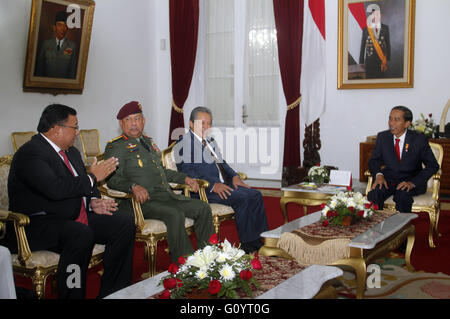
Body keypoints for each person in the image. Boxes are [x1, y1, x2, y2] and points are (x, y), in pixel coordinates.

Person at [6, 104, 135, 299]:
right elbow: (56, 189)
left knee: (123, 222)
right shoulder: (31, 153)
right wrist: (93, 177)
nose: (77, 133)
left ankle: (114, 293)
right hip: (37, 225)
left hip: (72, 215)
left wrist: (92, 201)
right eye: (74, 127)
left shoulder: (72, 153)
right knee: (80, 234)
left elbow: (79, 186)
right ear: (56, 129)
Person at [103, 101, 215, 262]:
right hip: (141, 202)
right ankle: (187, 265)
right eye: (129, 120)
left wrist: (185, 178)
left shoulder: (148, 143)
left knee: (202, 207)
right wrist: (133, 186)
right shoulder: (116, 147)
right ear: (121, 123)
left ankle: (209, 258)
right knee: (174, 214)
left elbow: (163, 172)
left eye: (137, 119)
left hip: (165, 196)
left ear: (143, 121)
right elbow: (112, 179)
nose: (134, 123)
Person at [175, 106, 269, 254]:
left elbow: (222, 163)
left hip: (224, 184)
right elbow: (188, 174)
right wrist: (212, 186)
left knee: (255, 195)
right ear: (191, 124)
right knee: (243, 198)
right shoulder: (184, 144)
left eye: (209, 123)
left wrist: (235, 177)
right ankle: (248, 246)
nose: (206, 127)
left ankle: (261, 241)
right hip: (203, 191)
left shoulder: (210, 141)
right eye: (202, 123)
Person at [367, 106, 439, 213]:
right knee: (374, 194)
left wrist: (412, 183)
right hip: (388, 181)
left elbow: (433, 166)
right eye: (390, 119)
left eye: (396, 120)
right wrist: (379, 175)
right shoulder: (383, 137)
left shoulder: (418, 140)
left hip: (409, 181)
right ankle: (376, 227)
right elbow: (374, 160)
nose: (391, 123)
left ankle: (402, 228)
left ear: (407, 123)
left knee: (402, 195)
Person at [35, 11, 79, 79]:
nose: (62, 29)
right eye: (59, 25)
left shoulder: (72, 46)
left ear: (67, 28)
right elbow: (39, 70)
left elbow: (72, 73)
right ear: (54, 27)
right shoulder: (45, 45)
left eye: (65, 25)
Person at [359, 4, 391, 79]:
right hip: (369, 62)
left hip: (381, 61)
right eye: (374, 14)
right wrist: (361, 62)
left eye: (377, 14)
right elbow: (363, 46)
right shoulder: (366, 30)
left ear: (380, 15)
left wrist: (388, 59)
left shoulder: (385, 28)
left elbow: (388, 45)